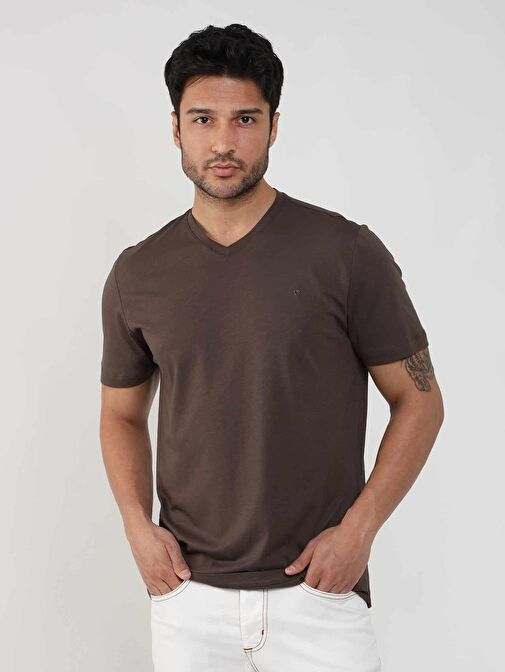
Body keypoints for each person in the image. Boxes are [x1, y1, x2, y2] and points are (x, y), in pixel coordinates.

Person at [99, 23, 444, 672]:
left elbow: (420, 401)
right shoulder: (137, 272)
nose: (223, 142)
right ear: (175, 128)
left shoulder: (346, 253)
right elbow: (120, 413)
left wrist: (359, 531)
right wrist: (135, 526)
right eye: (203, 119)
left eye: (245, 119)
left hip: (320, 593)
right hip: (188, 598)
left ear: (274, 126)